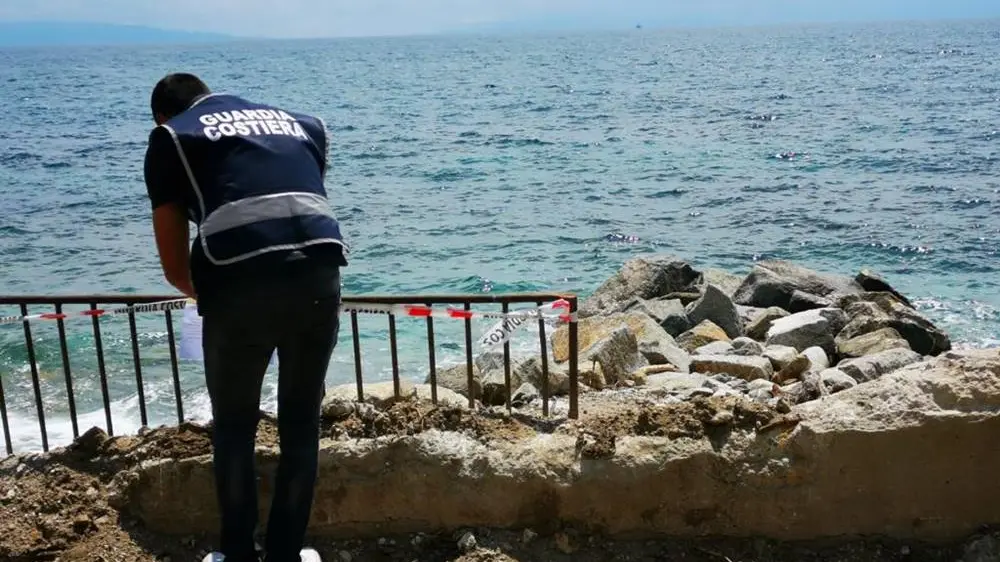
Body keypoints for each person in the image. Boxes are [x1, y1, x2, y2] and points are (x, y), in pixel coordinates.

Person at [143, 73, 348, 562]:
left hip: (239, 287)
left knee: (234, 428)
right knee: (301, 424)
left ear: (162, 115)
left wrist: (216, 297)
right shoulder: (301, 124)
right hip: (320, 278)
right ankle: (285, 554)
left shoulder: (173, 136)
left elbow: (174, 267)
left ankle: (238, 553)